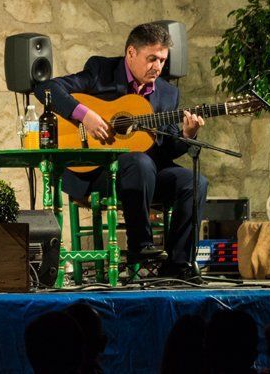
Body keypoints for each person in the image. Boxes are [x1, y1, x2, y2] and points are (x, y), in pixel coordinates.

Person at [34, 23, 207, 279]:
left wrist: (186, 135)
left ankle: (178, 265)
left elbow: (166, 149)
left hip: (146, 176)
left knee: (194, 182)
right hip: (97, 174)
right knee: (138, 162)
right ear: (131, 53)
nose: (157, 67)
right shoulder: (101, 71)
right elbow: (45, 88)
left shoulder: (168, 93)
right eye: (152, 59)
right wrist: (85, 116)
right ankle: (141, 245)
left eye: (162, 60)